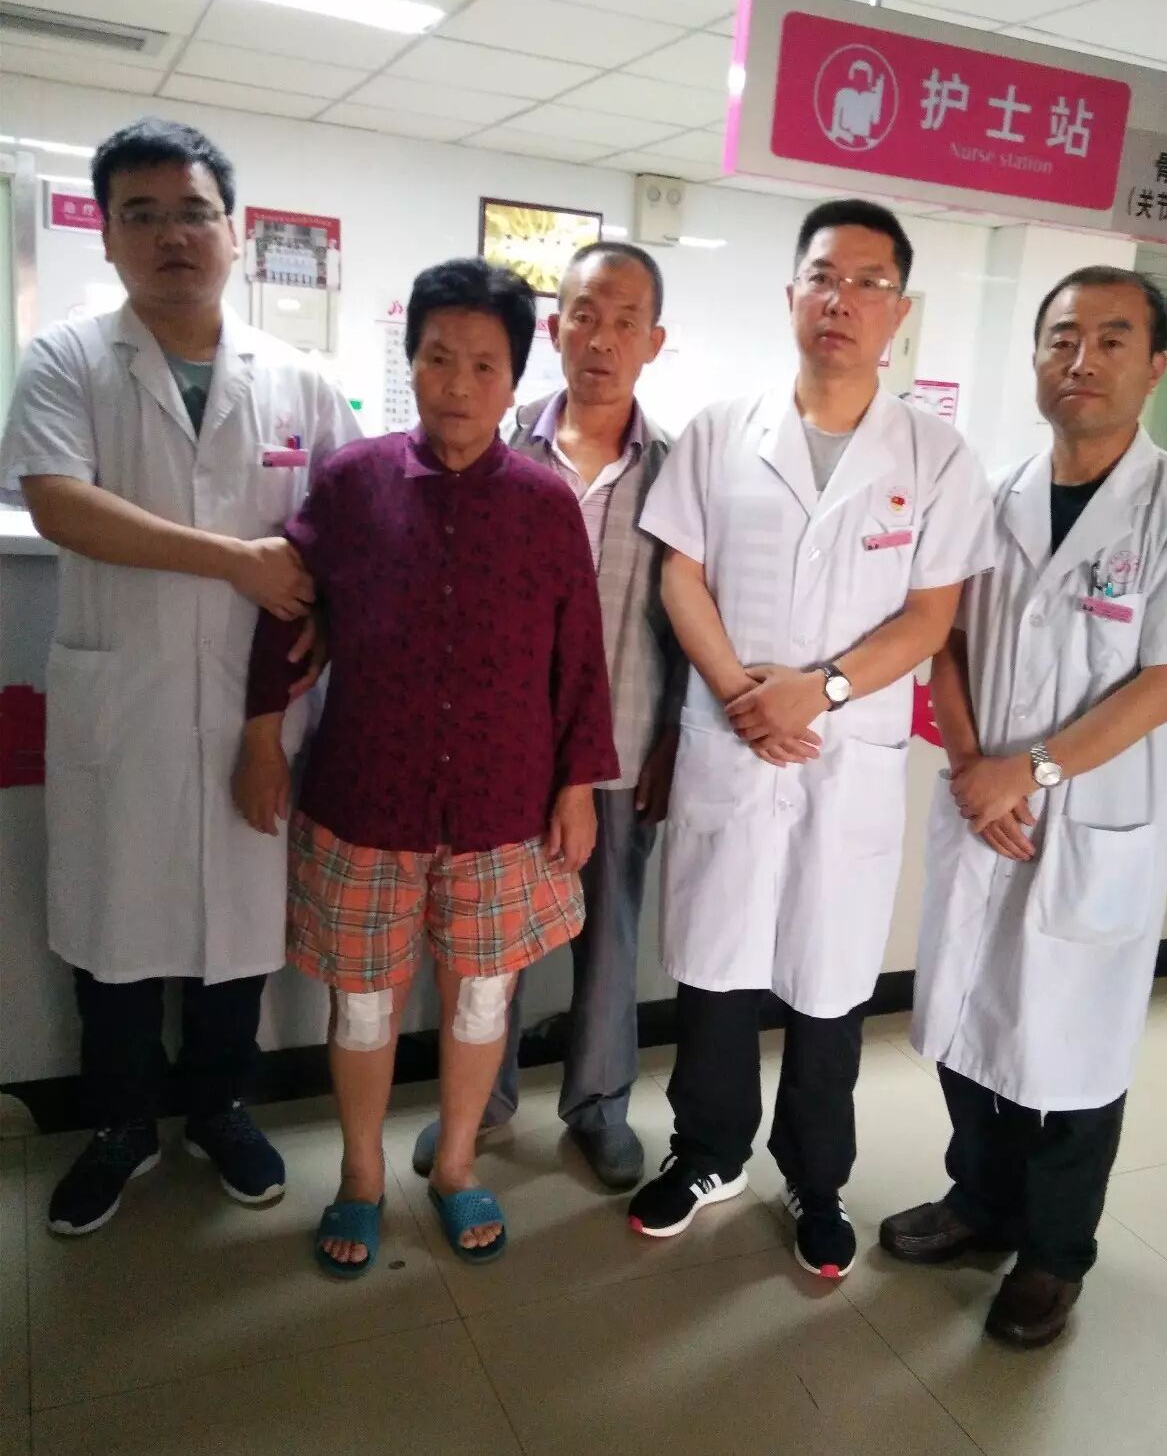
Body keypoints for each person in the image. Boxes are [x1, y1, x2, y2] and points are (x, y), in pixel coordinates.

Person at [881, 267, 1167, 1347]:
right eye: (1061, 337)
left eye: (1110, 339)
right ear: (1036, 357)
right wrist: (975, 766)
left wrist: (1027, 773)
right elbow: (946, 643)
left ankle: (1054, 1254)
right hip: (985, 806)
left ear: (1154, 367)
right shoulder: (987, 496)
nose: (1080, 360)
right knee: (967, 1017)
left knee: (1071, 1047)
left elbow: (1163, 686)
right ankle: (979, 1203)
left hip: (1091, 823)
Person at [0, 117, 361, 1236]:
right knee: (113, 926)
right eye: (142, 215)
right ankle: (120, 1127)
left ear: (236, 233)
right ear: (107, 236)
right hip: (126, 701)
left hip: (256, 714)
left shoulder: (300, 380)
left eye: (194, 213)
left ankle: (221, 1110)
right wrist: (235, 562)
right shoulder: (66, 360)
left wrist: (322, 608)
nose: (172, 236)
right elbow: (59, 504)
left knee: (237, 925)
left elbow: (346, 528)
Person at [626, 199, 995, 1280]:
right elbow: (679, 574)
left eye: (869, 282)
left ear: (899, 311)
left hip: (845, 756)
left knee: (829, 984)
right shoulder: (719, 430)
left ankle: (816, 1177)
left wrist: (818, 691)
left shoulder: (936, 455)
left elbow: (930, 620)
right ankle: (706, 1154)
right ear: (791, 294)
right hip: (731, 736)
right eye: (824, 276)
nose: (843, 299)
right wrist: (742, 694)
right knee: (716, 965)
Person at [234, 258, 619, 1276]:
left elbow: (579, 658)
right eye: (439, 358)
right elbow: (287, 611)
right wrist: (262, 733)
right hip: (366, 796)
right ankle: (361, 1174)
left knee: (483, 999)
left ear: (514, 379)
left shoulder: (544, 504)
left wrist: (578, 782)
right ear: (409, 362)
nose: (457, 384)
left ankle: (453, 1165)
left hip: (504, 803)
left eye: (484, 365)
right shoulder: (352, 482)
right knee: (362, 1003)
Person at [411, 241, 684, 1192]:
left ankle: (599, 1106)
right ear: (555, 327)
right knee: (485, 943)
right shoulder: (494, 446)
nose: (601, 340)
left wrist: (674, 736)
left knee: (611, 937)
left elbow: (693, 616)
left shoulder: (677, 472)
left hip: (622, 744)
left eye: (625, 323)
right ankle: (479, 1102)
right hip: (502, 752)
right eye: (585, 317)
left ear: (654, 341)